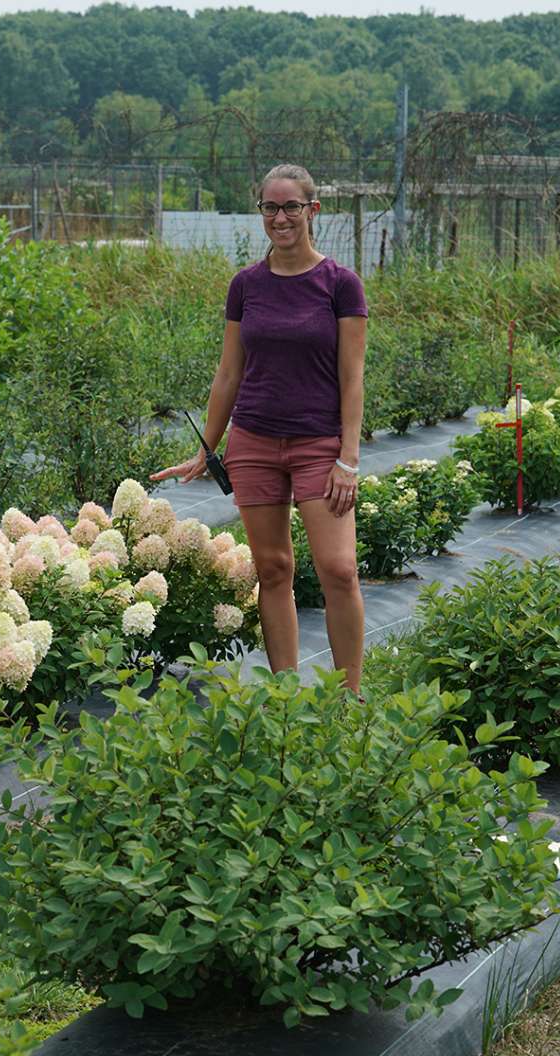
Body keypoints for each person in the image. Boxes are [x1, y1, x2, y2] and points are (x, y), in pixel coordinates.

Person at [151, 163, 368, 693]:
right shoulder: (246, 285)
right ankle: (287, 699)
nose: (280, 217)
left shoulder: (340, 284)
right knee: (272, 571)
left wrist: (348, 458)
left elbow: (352, 377)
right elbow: (229, 372)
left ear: (312, 211)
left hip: (320, 444)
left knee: (338, 569)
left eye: (291, 206)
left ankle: (351, 699)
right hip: (253, 442)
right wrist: (209, 446)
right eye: (270, 207)